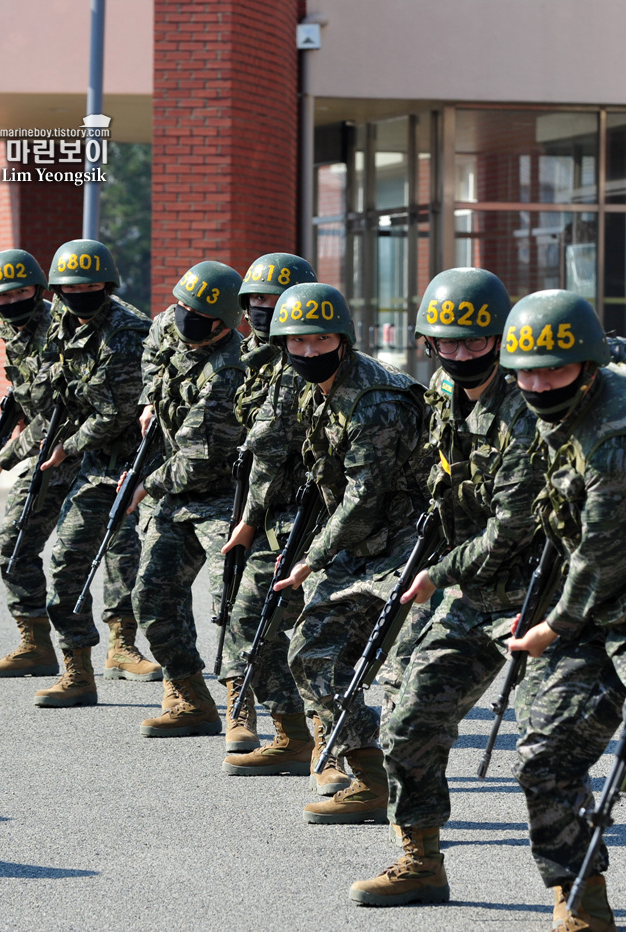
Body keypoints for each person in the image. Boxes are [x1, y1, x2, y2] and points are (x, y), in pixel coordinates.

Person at [500, 289, 626, 932]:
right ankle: (580, 896)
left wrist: (550, 628)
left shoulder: (619, 437)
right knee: (543, 755)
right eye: (525, 372)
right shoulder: (563, 415)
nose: (537, 385)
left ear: (586, 367)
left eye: (552, 370)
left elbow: (602, 556)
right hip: (595, 612)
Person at [349, 268, 545, 906]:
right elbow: (441, 485)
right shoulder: (440, 392)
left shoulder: (528, 403)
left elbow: (516, 523)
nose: (460, 356)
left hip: (540, 595)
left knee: (550, 752)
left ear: (500, 338)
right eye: (446, 344)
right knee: (407, 722)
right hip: (469, 588)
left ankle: (577, 889)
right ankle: (421, 859)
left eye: (474, 343)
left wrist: (441, 571)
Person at [270, 281, 429, 824]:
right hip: (359, 548)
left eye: (321, 340)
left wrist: (311, 556)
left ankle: (414, 808)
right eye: (298, 342)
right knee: (311, 654)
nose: (309, 352)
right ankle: (368, 778)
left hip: (408, 551)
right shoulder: (318, 390)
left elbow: (366, 496)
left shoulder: (376, 400)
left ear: (344, 338)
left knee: (404, 683)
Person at [0, 238, 153, 708]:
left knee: (124, 554)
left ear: (106, 285)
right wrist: (16, 449)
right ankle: (76, 671)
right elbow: (58, 396)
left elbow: (113, 413)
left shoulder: (127, 331)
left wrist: (64, 446)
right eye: (69, 287)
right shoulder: (60, 320)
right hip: (85, 459)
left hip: (128, 458)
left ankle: (123, 646)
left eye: (89, 285)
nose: (77, 294)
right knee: (67, 561)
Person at [218, 253, 325, 776]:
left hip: (316, 518)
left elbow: (279, 448)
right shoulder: (256, 357)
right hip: (271, 510)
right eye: (255, 300)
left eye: (275, 300)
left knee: (312, 637)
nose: (264, 309)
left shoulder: (307, 361)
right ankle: (291, 733)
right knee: (251, 622)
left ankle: (335, 749)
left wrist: (253, 516)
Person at [130, 260, 248, 738]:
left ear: (223, 322)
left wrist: (145, 485)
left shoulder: (232, 367)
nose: (181, 317)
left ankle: (243, 703)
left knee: (235, 604)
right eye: (180, 305)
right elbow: (151, 355)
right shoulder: (168, 325)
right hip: (173, 492)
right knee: (152, 594)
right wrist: (148, 401)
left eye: (195, 312)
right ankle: (188, 698)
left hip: (224, 496)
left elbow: (201, 456)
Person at [0, 249, 80, 679]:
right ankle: (34, 643)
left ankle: (119, 645)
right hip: (44, 454)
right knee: (13, 545)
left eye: (22, 291)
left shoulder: (60, 328)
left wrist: (1, 461)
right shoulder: (12, 332)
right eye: (3, 295)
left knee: (105, 555)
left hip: (88, 452)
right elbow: (29, 398)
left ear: (39, 288)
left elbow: (58, 410)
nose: (13, 301)